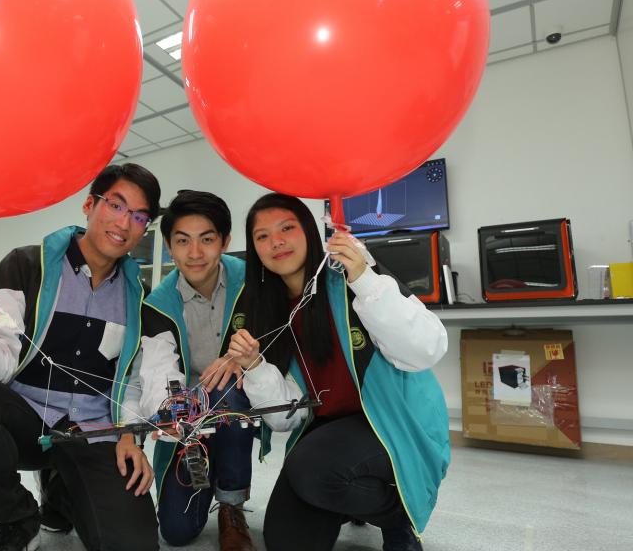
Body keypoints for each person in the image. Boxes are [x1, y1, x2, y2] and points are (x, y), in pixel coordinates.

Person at [0, 164, 166, 551]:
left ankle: (62, 491)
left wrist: (129, 434)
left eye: (139, 217)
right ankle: (17, 518)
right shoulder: (26, 266)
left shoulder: (138, 298)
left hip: (93, 433)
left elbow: (135, 379)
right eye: (116, 205)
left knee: (132, 543)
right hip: (26, 423)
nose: (125, 223)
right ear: (89, 204)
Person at [225, 193, 449, 551]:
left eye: (287, 228)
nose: (276, 242)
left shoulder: (350, 276)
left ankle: (397, 515)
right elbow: (285, 419)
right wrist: (254, 366)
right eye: (262, 236)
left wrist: (364, 278)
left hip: (394, 423)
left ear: (311, 233)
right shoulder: (266, 310)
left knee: (311, 467)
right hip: (331, 432)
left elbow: (426, 348)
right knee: (285, 541)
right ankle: (351, 498)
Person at [135, 191, 256, 551]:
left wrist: (243, 359)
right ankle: (209, 464)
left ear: (225, 241)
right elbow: (157, 370)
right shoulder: (158, 303)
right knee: (176, 531)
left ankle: (231, 506)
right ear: (169, 246)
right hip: (190, 411)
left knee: (226, 386)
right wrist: (168, 411)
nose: (195, 252)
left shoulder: (252, 282)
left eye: (207, 239)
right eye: (182, 241)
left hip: (239, 397)